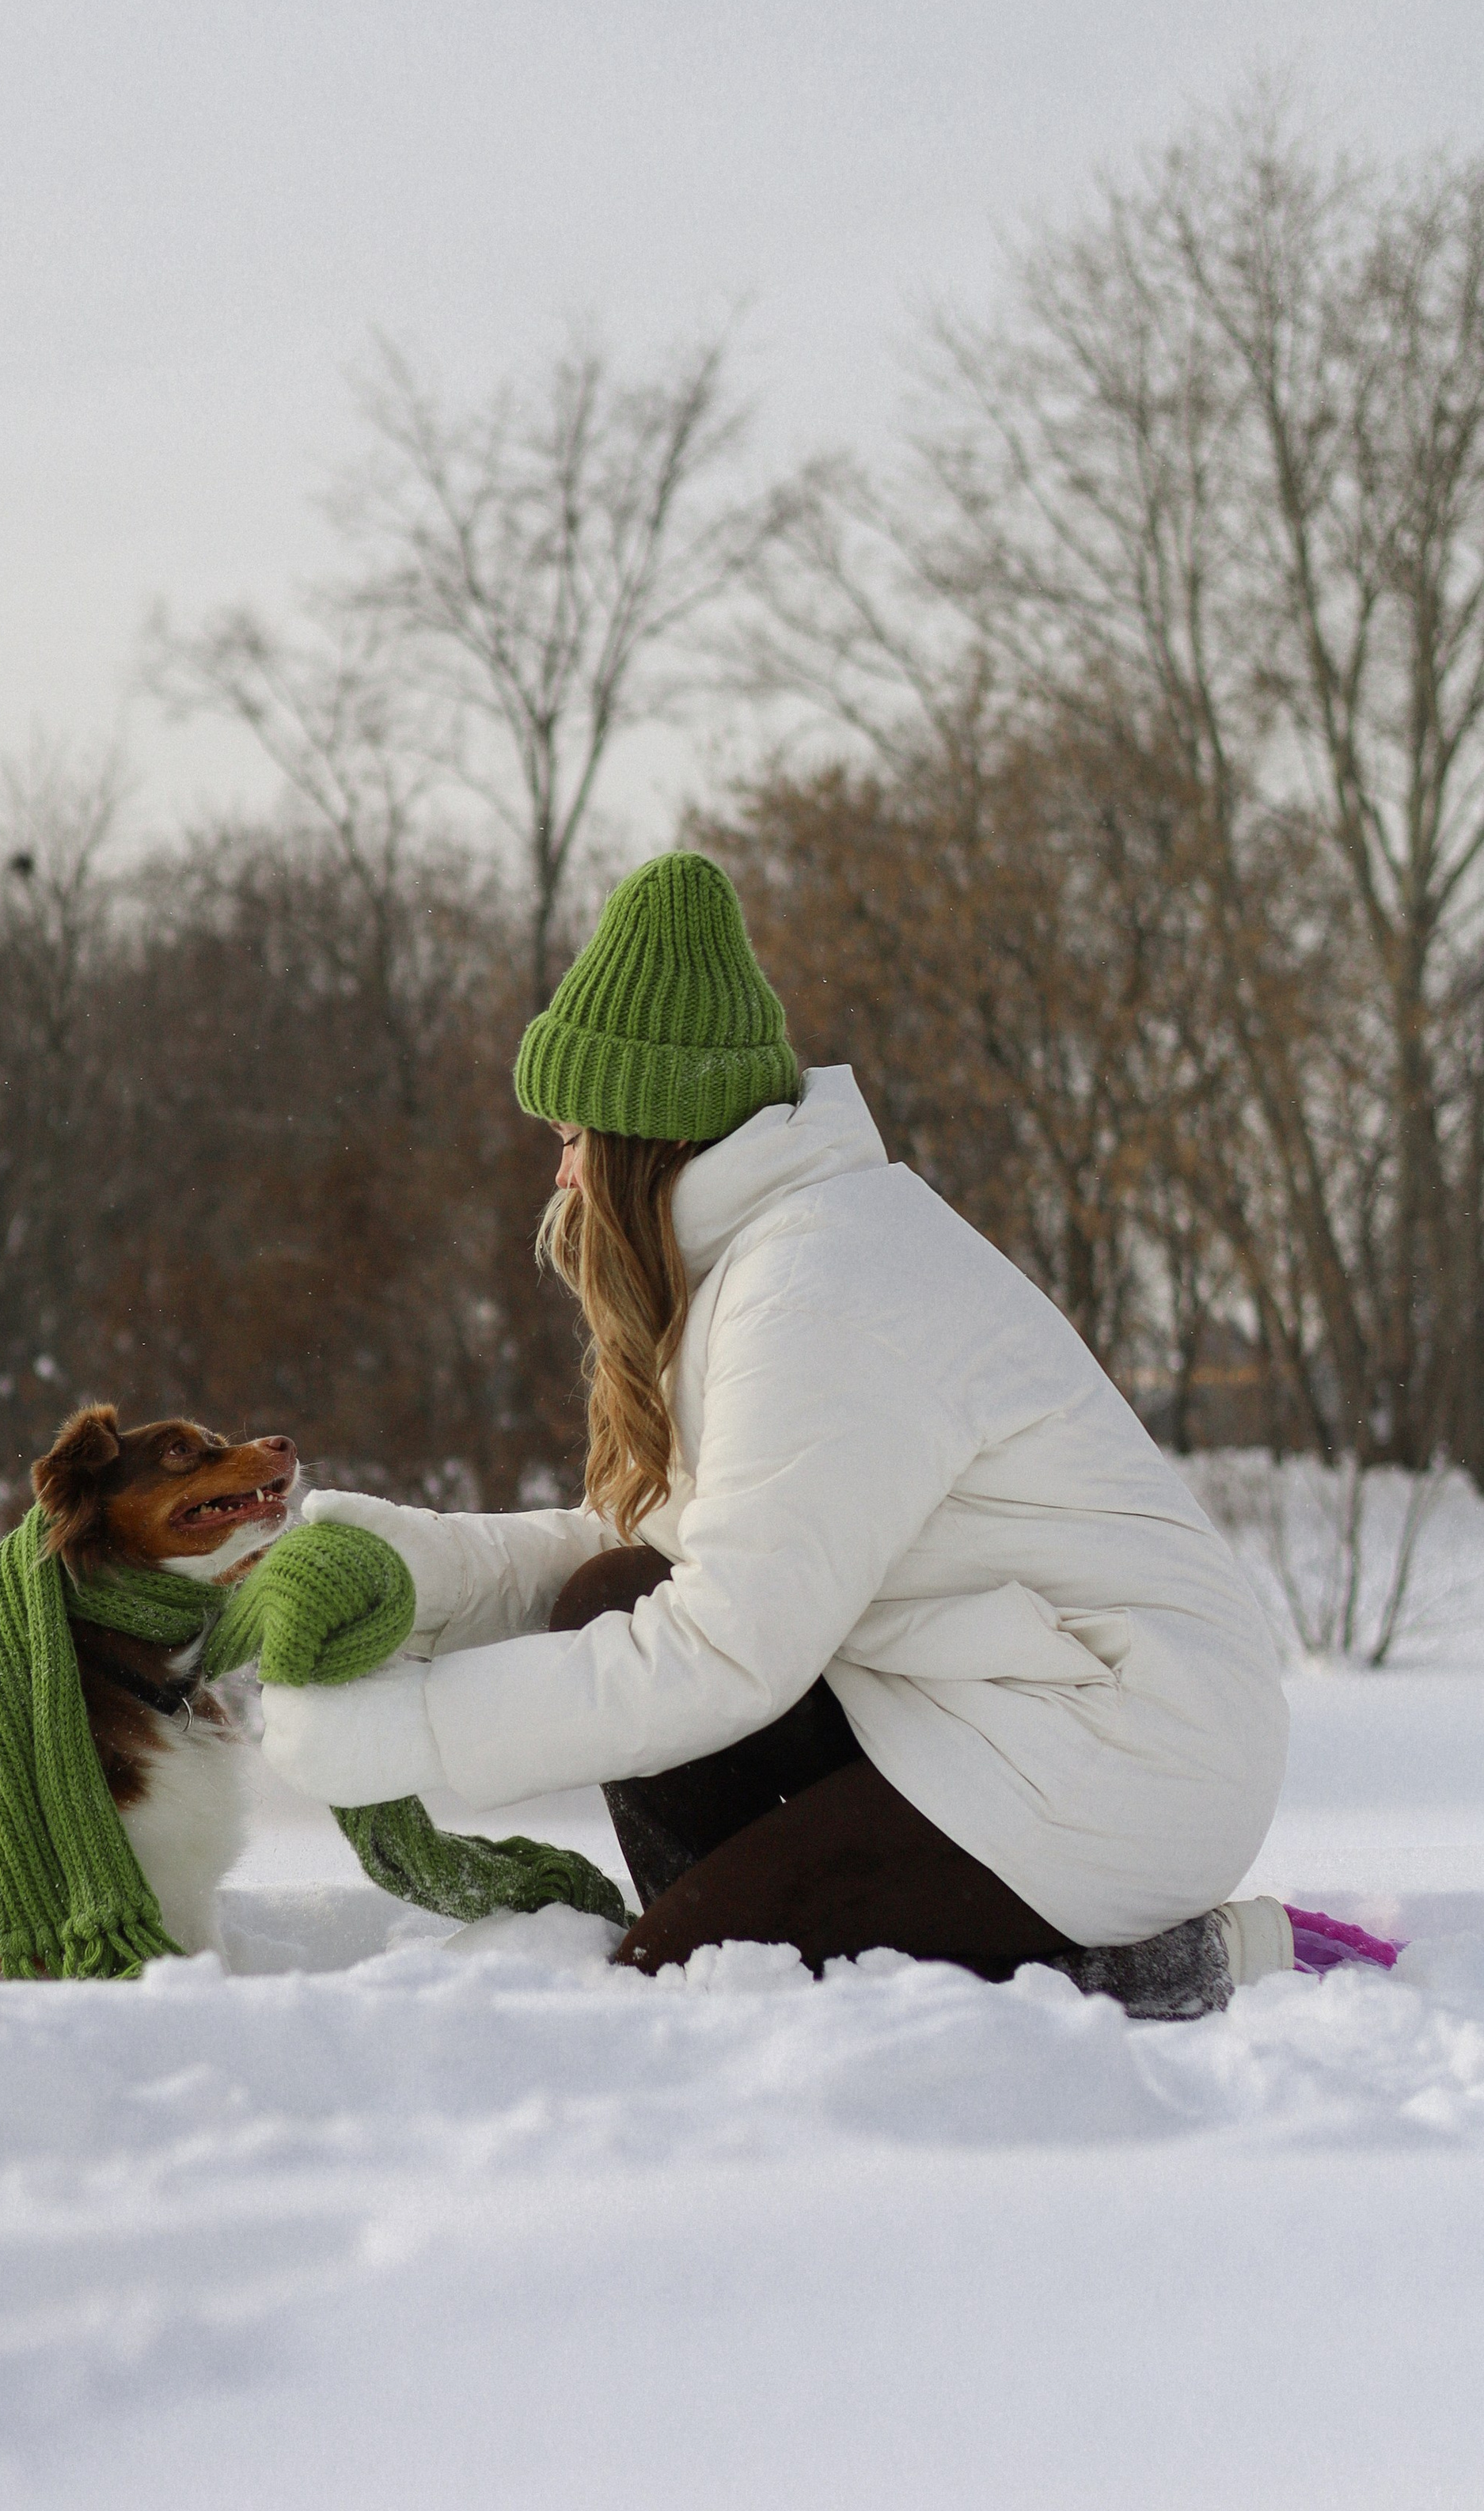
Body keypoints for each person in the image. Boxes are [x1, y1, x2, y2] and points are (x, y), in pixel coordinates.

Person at [259, 851, 1292, 1998]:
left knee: (690, 1982)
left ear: (639, 1136)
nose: (557, 1178)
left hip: (1119, 1759)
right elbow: (668, 1551)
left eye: (568, 1139)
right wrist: (417, 1575)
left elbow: (725, 1650)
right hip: (967, 1716)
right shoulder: (756, 1263)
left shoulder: (817, 1285)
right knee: (615, 1596)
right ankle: (854, 1931)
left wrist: (418, 1731)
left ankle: (1129, 1964)